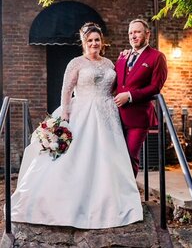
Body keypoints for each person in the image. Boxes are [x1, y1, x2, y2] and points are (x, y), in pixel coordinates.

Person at [11, 22, 143, 229]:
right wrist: (65, 114)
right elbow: (66, 89)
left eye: (97, 40)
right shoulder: (76, 63)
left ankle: (108, 202)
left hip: (108, 114)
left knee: (108, 157)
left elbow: (120, 83)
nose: (94, 43)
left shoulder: (109, 64)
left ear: (102, 41)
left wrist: (126, 57)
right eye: (89, 40)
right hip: (82, 112)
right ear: (83, 42)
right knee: (77, 158)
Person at [114, 19, 168, 178]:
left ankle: (129, 198)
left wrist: (130, 96)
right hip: (116, 116)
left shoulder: (157, 57)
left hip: (139, 118)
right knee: (114, 158)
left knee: (130, 157)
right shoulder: (123, 56)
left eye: (137, 32)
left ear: (147, 34)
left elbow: (155, 87)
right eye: (130, 33)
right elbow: (116, 83)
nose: (133, 36)